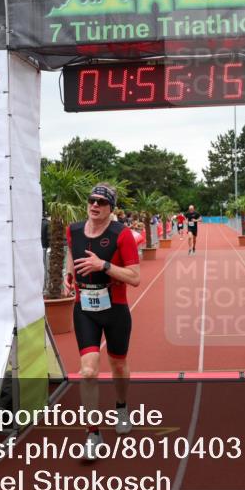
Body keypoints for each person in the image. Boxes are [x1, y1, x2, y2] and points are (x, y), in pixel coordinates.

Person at [65, 183, 140, 460]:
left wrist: (103, 266)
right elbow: (73, 254)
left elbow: (135, 277)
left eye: (101, 202)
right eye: (91, 200)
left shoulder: (122, 235)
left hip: (116, 307)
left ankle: (121, 407)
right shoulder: (72, 230)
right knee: (88, 370)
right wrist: (69, 273)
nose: (95, 205)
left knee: (118, 363)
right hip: (84, 308)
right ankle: (93, 434)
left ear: (111, 208)